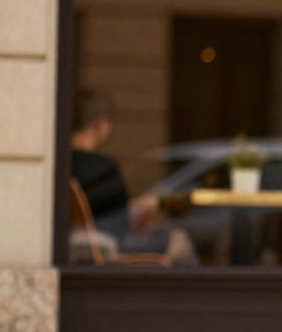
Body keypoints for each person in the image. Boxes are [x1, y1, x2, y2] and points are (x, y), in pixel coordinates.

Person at [70, 88, 194, 264]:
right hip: (102, 248)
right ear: (102, 124)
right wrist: (144, 208)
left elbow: (101, 210)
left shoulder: (59, 164)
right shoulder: (103, 168)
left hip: (72, 248)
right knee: (178, 239)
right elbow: (119, 223)